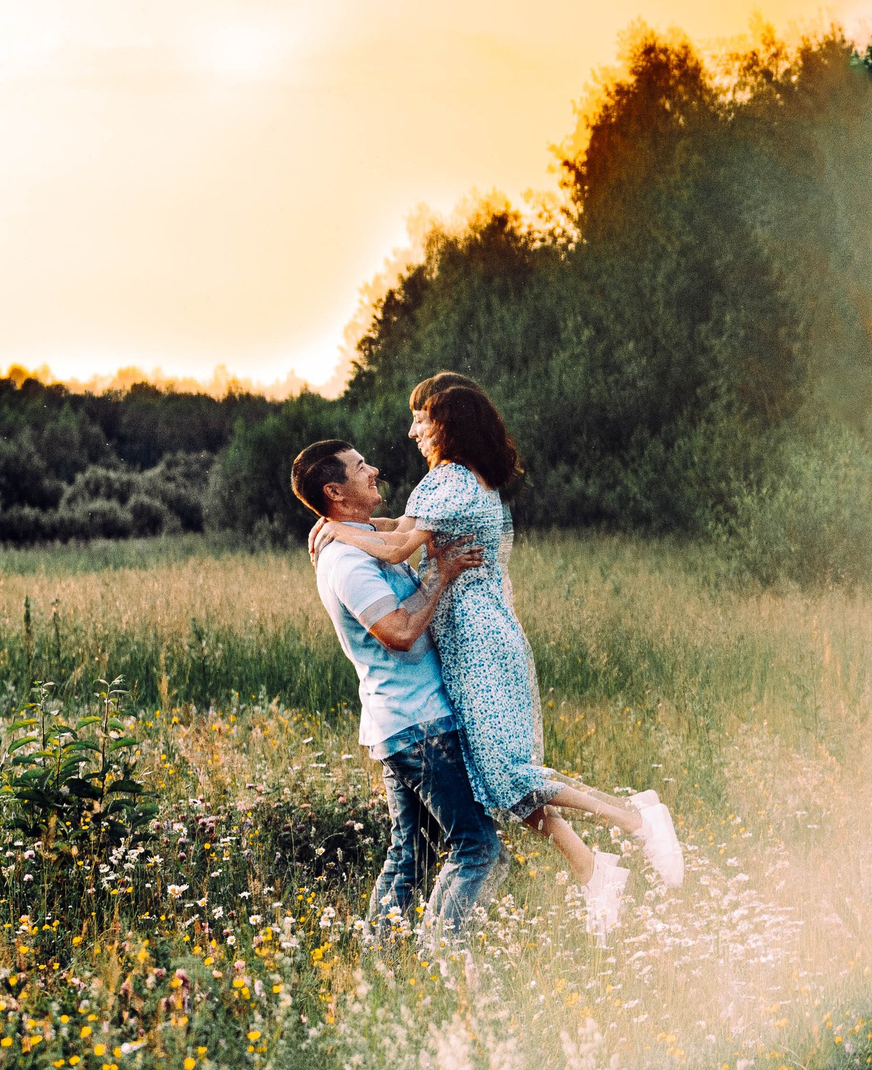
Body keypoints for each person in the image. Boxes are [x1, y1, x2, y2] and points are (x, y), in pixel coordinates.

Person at [307, 373, 683, 934]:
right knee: (494, 775)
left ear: (446, 425)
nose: (410, 432)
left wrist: (333, 531)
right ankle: (593, 869)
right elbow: (394, 529)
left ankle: (635, 817)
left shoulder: (446, 483)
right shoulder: (458, 481)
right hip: (473, 637)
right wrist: (338, 529)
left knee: (504, 773)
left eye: (420, 419)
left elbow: (392, 544)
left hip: (475, 641)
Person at [290, 435, 499, 943]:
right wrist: (442, 577)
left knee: (413, 853)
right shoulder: (347, 563)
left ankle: (379, 961)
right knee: (477, 847)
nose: (374, 470)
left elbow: (401, 531)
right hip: (418, 726)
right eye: (361, 468)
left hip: (403, 722)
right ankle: (441, 954)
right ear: (335, 491)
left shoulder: (359, 542)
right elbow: (400, 633)